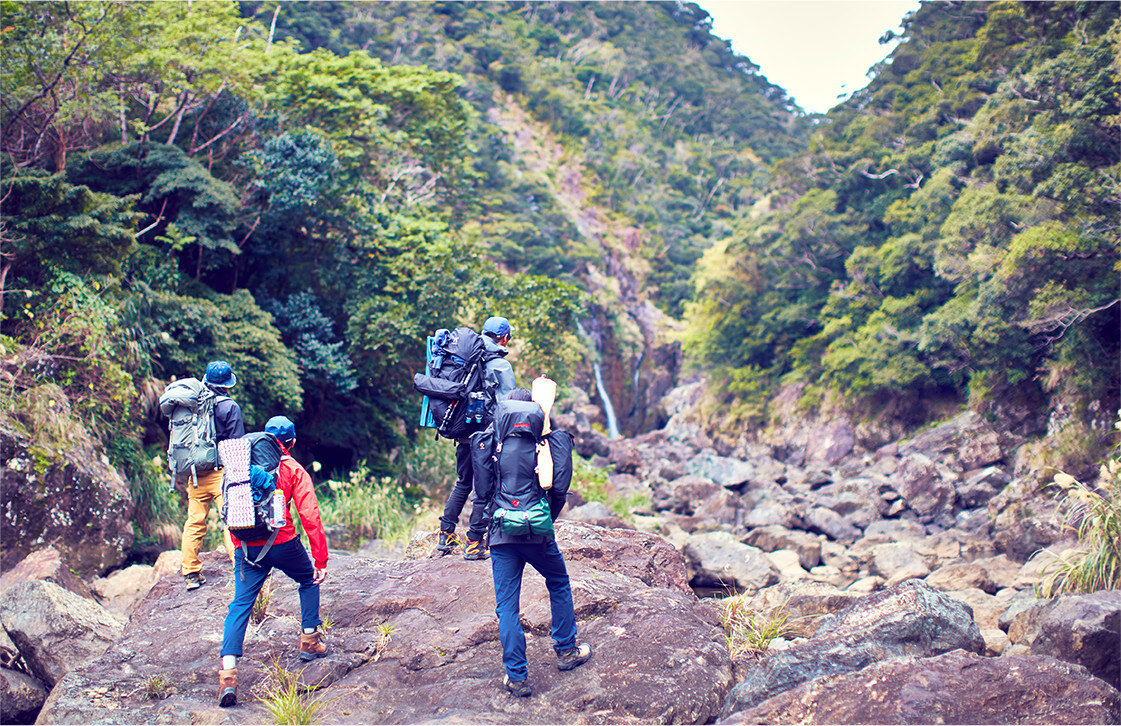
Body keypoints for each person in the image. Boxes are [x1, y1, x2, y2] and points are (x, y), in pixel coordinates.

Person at [472, 388, 592, 698]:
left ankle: (517, 677)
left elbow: (482, 491)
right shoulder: (546, 443)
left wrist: (483, 528)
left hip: (502, 536)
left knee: (507, 608)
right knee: (559, 583)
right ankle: (566, 651)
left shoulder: (491, 442)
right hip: (538, 532)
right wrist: (545, 521)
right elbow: (560, 489)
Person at [217, 416, 329, 708]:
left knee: (240, 604)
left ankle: (228, 676)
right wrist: (320, 559)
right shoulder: (292, 468)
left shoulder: (240, 464)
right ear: (291, 442)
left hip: (245, 545)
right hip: (282, 543)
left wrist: (237, 546)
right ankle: (310, 641)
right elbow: (310, 516)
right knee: (308, 579)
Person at [437, 316, 517, 560]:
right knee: (484, 490)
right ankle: (474, 542)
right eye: (509, 336)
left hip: (461, 430)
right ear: (503, 338)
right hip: (485, 436)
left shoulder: (467, 357)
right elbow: (508, 404)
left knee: (463, 482)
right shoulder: (500, 365)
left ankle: (446, 534)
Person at [181, 360, 243, 591]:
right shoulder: (230, 407)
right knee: (230, 521)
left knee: (195, 521)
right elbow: (236, 445)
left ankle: (190, 573)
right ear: (228, 384)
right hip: (221, 472)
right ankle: (240, 570)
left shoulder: (192, 403)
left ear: (206, 380)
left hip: (196, 473)